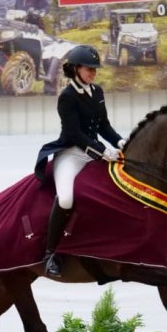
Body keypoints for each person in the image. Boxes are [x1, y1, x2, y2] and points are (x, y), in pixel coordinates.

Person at [34, 45, 126, 276]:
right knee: (65, 199)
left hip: (94, 152)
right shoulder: (67, 96)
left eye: (95, 69)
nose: (93, 73)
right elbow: (74, 134)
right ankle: (51, 254)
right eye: (89, 69)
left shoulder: (97, 92)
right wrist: (103, 151)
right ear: (76, 69)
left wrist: (121, 142)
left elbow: (103, 125)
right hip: (72, 153)